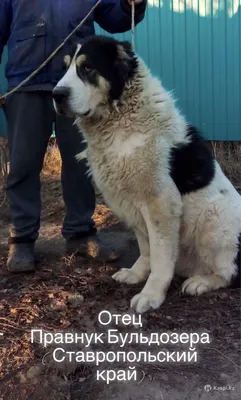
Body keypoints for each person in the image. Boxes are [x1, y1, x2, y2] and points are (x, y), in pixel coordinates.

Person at [0, 0, 147, 272]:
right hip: (27, 82)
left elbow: (115, 19)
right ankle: (22, 238)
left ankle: (80, 234)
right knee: (23, 164)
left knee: (80, 164)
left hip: (78, 84)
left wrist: (131, 6)